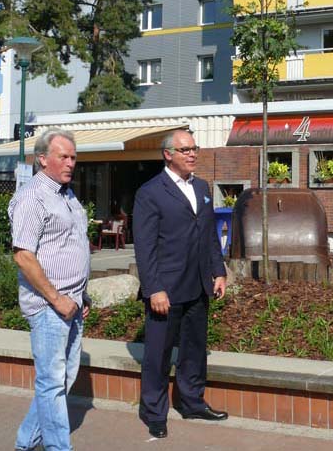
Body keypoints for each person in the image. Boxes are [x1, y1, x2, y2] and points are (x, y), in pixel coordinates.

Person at [134, 130, 228, 439]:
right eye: (184, 149)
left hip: (198, 285)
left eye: (194, 148)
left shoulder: (201, 187)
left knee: (194, 350)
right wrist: (154, 289)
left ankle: (192, 402)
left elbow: (209, 235)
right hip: (166, 290)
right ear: (168, 154)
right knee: (158, 355)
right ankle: (154, 413)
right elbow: (145, 248)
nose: (192, 154)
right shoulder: (150, 192)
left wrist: (219, 271)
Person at [10, 128, 92, 451]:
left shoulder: (67, 194)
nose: (71, 163)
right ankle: (58, 448)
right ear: (43, 159)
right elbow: (23, 256)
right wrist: (57, 299)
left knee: (61, 381)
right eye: (63, 157)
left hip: (71, 303)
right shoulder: (32, 197)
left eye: (73, 157)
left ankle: (26, 442)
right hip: (48, 306)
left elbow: (71, 245)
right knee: (51, 383)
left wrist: (81, 295)